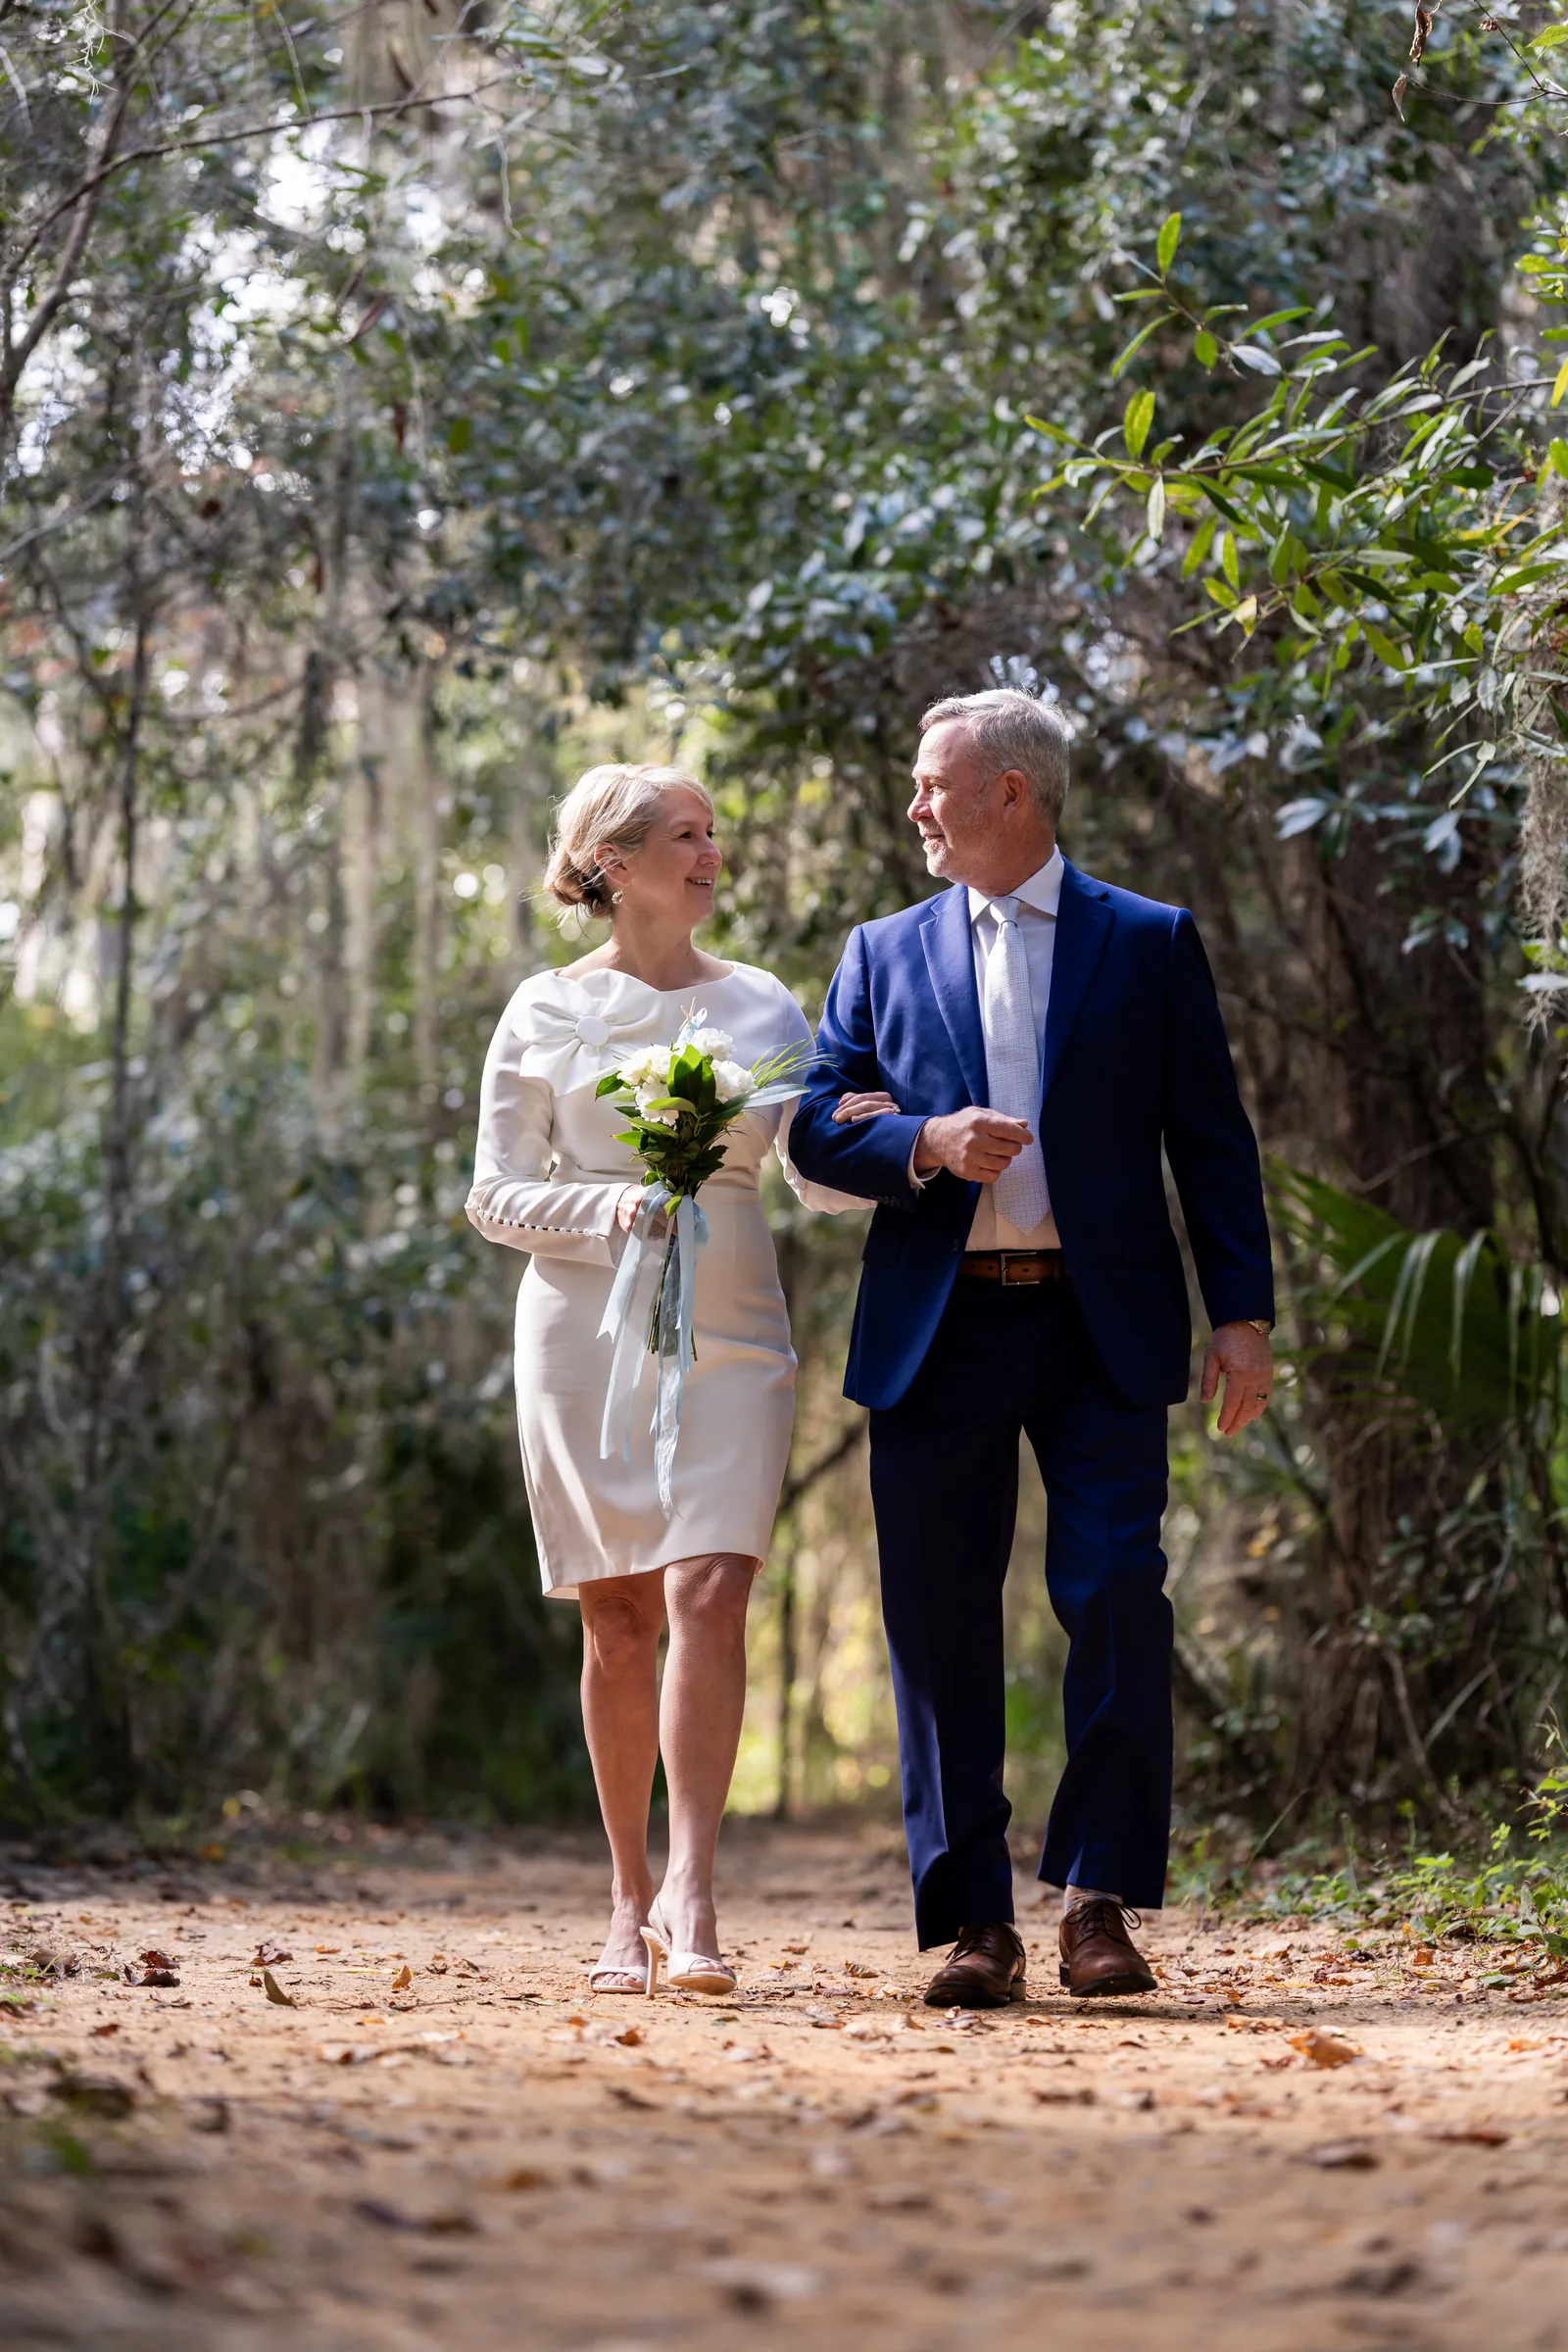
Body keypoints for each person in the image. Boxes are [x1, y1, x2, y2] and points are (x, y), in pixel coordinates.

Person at [787, 688, 1274, 2007]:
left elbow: (1211, 1140)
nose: (915, 807)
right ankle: (977, 1925)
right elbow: (816, 1124)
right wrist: (924, 1141)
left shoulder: (1149, 940)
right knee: (940, 1619)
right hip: (936, 1327)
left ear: (1009, 791)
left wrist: (1242, 1316)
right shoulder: (882, 951)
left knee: (1117, 1593)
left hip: (1098, 1324)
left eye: (932, 783)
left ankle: (1097, 1904)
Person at [466, 763, 870, 1997]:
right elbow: (492, 1195)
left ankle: (695, 1891)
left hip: (733, 1326)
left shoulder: (760, 1003)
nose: (711, 855)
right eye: (687, 836)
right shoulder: (542, 1007)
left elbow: (817, 1177)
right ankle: (624, 1898)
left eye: (712, 834)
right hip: (581, 1332)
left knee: (710, 1588)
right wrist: (610, 1209)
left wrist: (874, 1136)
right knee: (619, 1614)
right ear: (615, 862)